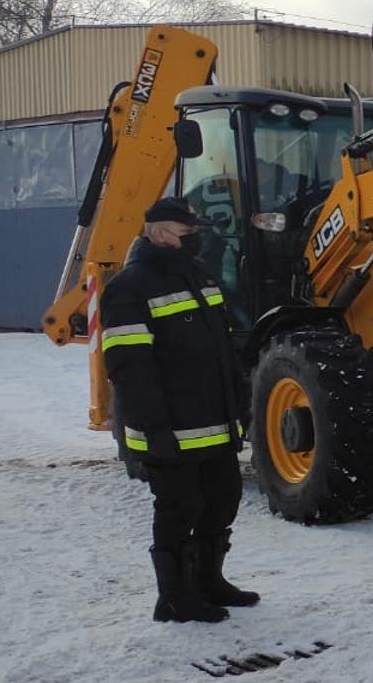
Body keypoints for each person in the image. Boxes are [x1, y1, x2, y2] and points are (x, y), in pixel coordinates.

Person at [101, 197, 256, 623]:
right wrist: (154, 430)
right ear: (158, 233)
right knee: (179, 508)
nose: (195, 239)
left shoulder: (199, 275)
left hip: (214, 424)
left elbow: (222, 350)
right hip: (169, 429)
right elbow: (130, 369)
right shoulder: (128, 287)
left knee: (223, 499)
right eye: (187, 233)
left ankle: (208, 581)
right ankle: (173, 598)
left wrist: (238, 403)